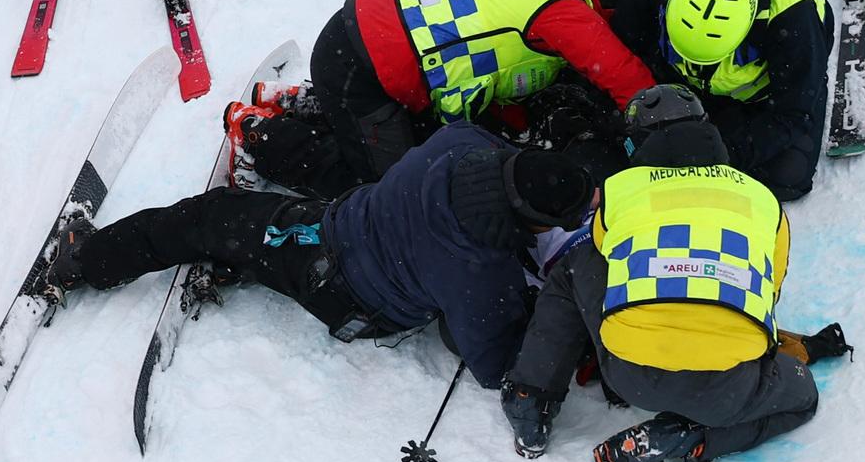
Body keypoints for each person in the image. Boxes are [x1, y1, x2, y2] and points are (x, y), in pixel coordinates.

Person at [72, 120, 600, 391]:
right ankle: (84, 260)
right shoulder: (478, 270)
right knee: (211, 220)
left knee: (224, 218)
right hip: (339, 273)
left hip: (355, 249)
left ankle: (275, 146)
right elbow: (496, 364)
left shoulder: (464, 143)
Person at [498, 86, 850, 462]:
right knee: (801, 397)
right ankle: (689, 436)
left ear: (638, 145)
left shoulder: (619, 191)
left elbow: (603, 258)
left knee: (575, 268)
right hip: (728, 387)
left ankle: (531, 401)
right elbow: (771, 292)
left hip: (630, 371)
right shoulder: (764, 200)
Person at [240, 0, 653, 195]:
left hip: (357, 40)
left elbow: (492, 59)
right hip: (365, 71)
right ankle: (259, 137)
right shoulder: (562, 3)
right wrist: (671, 126)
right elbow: (623, 75)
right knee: (387, 194)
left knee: (414, 138)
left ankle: (301, 101)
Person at [647, 0, 835, 200]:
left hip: (769, 98)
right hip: (691, 88)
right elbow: (631, 40)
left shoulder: (793, 16)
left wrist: (727, 154)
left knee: (786, 177)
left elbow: (795, 110)